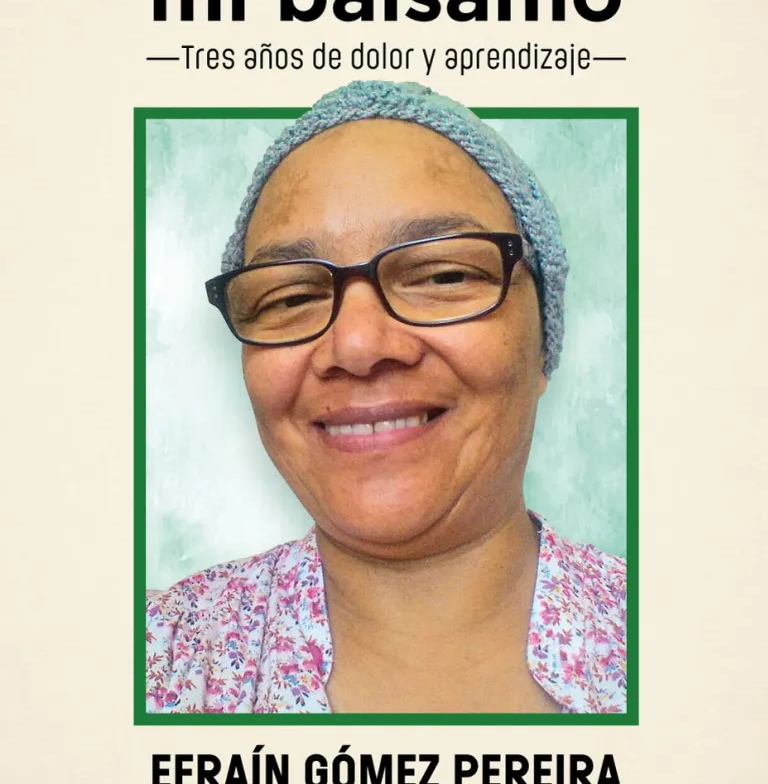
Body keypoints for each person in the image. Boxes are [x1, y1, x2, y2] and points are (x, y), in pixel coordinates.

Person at [146, 80, 626, 715]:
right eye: (290, 297)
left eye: (443, 275)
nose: (357, 345)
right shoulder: (150, 665)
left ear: (541, 344)